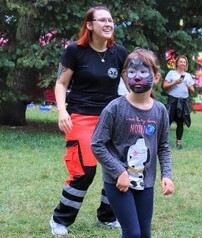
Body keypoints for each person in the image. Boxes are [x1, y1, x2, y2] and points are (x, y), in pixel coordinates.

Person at [50, 6, 128, 236]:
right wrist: (62, 111)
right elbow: (61, 84)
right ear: (89, 25)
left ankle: (107, 216)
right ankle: (60, 220)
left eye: (110, 20)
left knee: (117, 168)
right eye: (102, 20)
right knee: (84, 172)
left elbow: (131, 83)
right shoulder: (76, 51)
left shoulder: (119, 52)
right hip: (81, 117)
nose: (108, 24)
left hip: (112, 119)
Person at [91, 48, 174, 238]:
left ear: (156, 77)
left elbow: (163, 146)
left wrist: (167, 175)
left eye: (144, 72)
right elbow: (97, 144)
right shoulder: (114, 108)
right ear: (124, 77)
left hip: (146, 182)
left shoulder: (160, 111)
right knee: (132, 233)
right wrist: (119, 171)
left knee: (144, 233)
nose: (137, 77)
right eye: (132, 72)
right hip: (118, 181)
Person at [163, 55, 195, 149]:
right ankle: (164, 142)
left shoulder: (188, 76)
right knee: (168, 120)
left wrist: (189, 87)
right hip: (173, 99)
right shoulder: (171, 73)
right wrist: (175, 82)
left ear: (186, 64)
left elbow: (192, 90)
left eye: (184, 62)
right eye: (181, 62)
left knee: (180, 122)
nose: (182, 63)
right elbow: (165, 86)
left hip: (183, 100)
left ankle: (179, 143)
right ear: (177, 63)